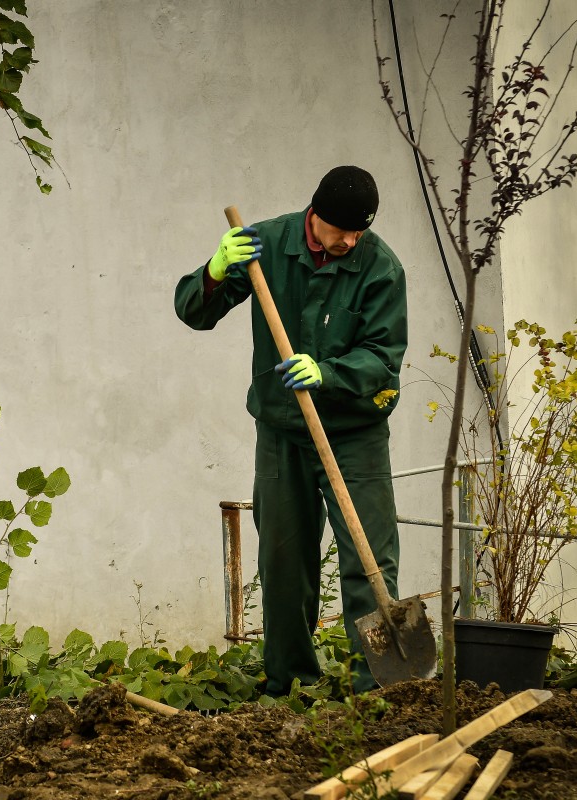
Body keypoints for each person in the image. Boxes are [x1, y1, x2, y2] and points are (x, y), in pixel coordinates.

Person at [173, 165, 408, 694]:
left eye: (359, 231)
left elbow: (384, 357)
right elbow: (193, 313)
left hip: (354, 432)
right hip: (283, 431)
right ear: (315, 213)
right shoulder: (267, 245)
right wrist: (214, 271)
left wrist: (330, 373)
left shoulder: (381, 268)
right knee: (283, 559)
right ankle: (290, 684)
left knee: (370, 558)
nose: (350, 240)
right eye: (340, 229)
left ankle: (383, 686)